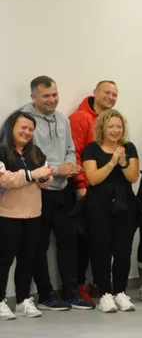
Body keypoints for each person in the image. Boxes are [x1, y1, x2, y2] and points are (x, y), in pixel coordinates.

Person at [22, 76, 89, 311]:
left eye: (55, 95)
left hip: (63, 190)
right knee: (39, 245)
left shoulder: (62, 119)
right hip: (38, 191)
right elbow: (25, 156)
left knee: (69, 242)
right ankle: (45, 294)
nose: (52, 100)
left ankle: (70, 292)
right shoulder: (23, 119)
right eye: (46, 96)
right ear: (33, 97)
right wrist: (57, 169)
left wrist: (69, 167)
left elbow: (70, 148)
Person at [82, 109, 140, 314]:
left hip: (125, 205)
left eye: (119, 127)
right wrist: (112, 162)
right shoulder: (92, 149)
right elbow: (93, 178)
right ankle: (105, 293)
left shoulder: (129, 148)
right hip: (99, 205)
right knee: (101, 249)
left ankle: (121, 291)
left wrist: (123, 162)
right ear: (102, 128)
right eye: (111, 126)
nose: (115, 130)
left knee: (123, 249)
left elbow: (133, 177)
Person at [0, 111, 55, 320]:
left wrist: (45, 177)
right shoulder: (2, 150)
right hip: (7, 214)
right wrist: (31, 175)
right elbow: (4, 179)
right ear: (11, 127)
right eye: (23, 127)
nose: (27, 132)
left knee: (27, 259)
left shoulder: (35, 152)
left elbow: (45, 178)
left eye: (31, 129)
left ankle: (23, 300)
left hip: (33, 214)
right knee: (4, 260)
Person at [70, 80, 119, 302]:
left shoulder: (112, 121)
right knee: (82, 241)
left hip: (105, 193)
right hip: (86, 190)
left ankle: (100, 284)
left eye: (114, 94)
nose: (111, 97)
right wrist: (80, 185)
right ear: (95, 93)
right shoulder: (80, 118)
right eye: (107, 92)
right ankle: (79, 284)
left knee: (101, 241)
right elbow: (75, 153)